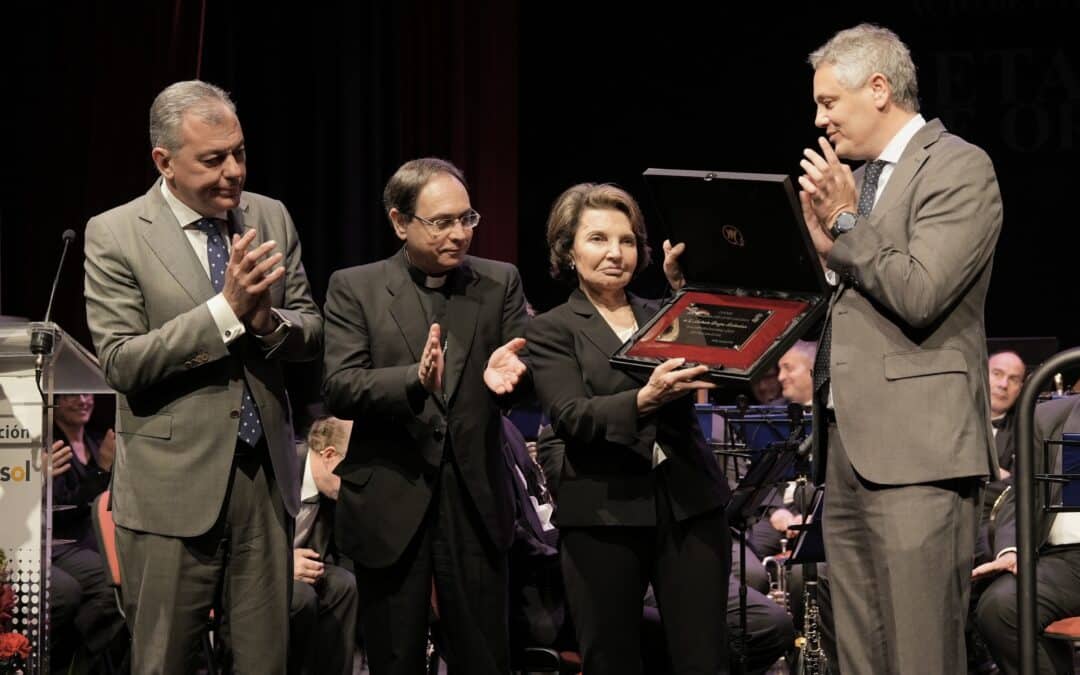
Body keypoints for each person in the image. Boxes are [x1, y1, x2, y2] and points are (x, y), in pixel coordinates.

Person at [83, 80, 323, 674]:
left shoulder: (270, 215)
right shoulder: (114, 233)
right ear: (163, 161)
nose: (233, 171)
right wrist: (225, 312)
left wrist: (270, 323)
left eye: (239, 152)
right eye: (213, 159)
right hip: (171, 489)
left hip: (262, 482)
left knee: (264, 661)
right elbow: (121, 360)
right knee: (164, 661)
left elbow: (312, 329)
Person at [797, 24, 1002, 674]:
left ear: (879, 88)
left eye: (830, 101)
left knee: (921, 655)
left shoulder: (959, 166)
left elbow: (919, 289)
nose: (820, 118)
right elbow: (852, 298)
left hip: (919, 455)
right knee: (859, 657)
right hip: (848, 449)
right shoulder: (858, 184)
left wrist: (845, 225)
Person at [322, 157, 529, 674]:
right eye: (442, 222)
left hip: (475, 500)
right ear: (399, 222)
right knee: (395, 657)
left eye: (467, 219)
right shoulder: (356, 287)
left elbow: (519, 378)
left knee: (485, 658)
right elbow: (340, 387)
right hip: (390, 501)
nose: (459, 234)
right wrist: (412, 381)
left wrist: (516, 379)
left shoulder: (499, 282)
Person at [525, 182, 731, 674]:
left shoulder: (663, 313)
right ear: (568, 251)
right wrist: (643, 400)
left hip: (689, 506)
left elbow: (726, 356)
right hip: (602, 513)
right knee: (611, 659)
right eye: (597, 239)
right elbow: (570, 415)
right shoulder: (551, 328)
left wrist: (687, 293)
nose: (615, 253)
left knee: (705, 659)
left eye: (627, 241)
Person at [972, 395, 1080, 674]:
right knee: (1000, 607)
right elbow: (1020, 495)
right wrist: (1012, 549)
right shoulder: (1047, 417)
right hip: (1068, 561)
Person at [48, 394, 126, 671]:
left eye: (87, 394)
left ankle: (80, 663)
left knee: (116, 589)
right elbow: (62, 510)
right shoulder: (50, 443)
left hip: (91, 546)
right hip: (57, 542)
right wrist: (102, 470)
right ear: (54, 401)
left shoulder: (97, 440)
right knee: (71, 591)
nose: (83, 401)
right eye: (72, 395)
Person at [289, 416, 358, 675]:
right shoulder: (283, 469)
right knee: (301, 597)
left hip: (304, 572)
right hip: (261, 569)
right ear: (329, 455)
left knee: (344, 585)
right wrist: (284, 562)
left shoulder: (330, 494)